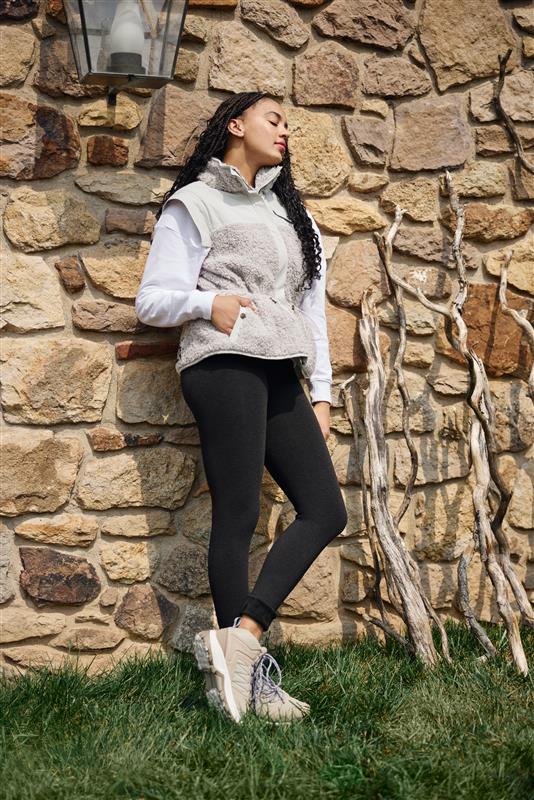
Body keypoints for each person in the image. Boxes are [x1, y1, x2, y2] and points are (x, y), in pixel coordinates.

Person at [135, 91, 348, 725]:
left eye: (287, 124)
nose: (285, 131)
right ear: (236, 125)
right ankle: (246, 683)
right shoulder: (195, 202)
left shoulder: (292, 215)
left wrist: (321, 392)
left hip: (280, 367)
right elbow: (153, 299)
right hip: (222, 361)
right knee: (240, 512)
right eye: (273, 119)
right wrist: (209, 304)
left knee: (325, 509)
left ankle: (243, 641)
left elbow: (311, 313)